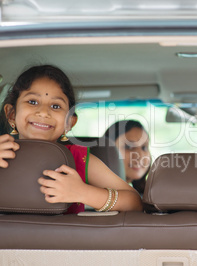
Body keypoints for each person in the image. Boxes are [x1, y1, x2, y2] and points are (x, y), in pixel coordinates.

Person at [0, 65, 143, 214]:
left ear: (69, 123)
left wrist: (82, 192)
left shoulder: (78, 159)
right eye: (33, 102)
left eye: (56, 106)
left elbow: (134, 202)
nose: (43, 112)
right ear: (11, 114)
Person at [104, 120, 151, 195]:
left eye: (144, 148)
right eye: (128, 147)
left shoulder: (150, 196)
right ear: (108, 151)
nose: (140, 155)